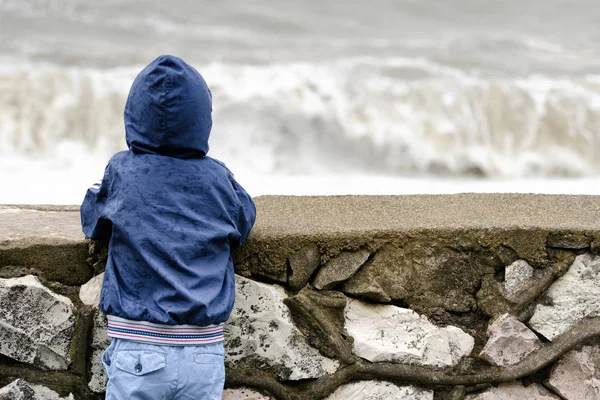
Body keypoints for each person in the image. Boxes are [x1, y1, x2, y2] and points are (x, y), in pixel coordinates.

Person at [80, 55, 256, 400]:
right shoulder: (218, 177)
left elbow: (92, 221)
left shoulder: (123, 171)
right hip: (204, 351)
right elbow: (243, 220)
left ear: (134, 116)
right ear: (201, 119)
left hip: (138, 346)